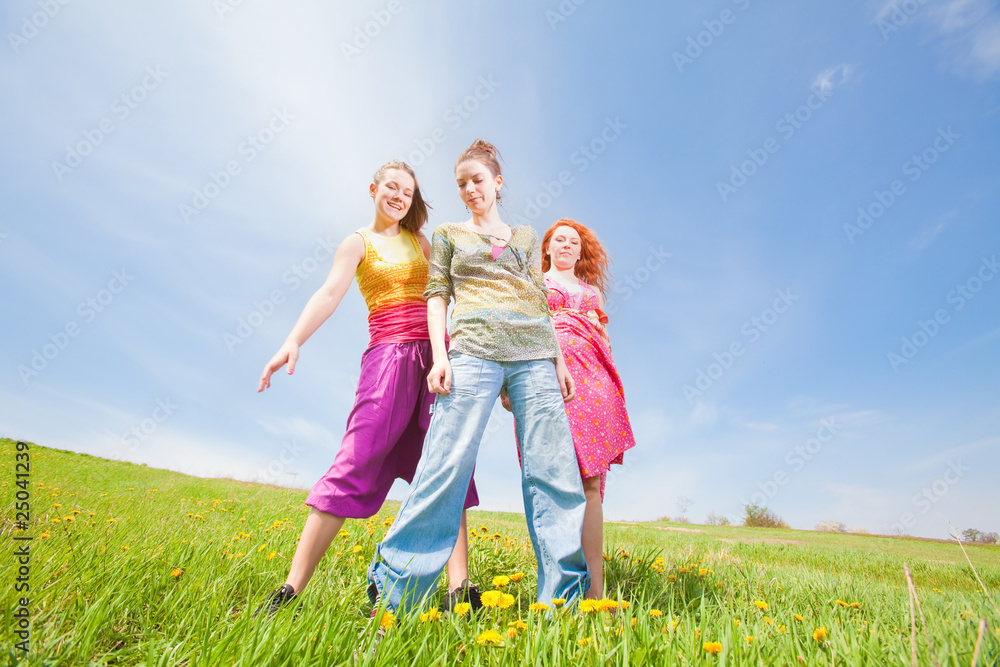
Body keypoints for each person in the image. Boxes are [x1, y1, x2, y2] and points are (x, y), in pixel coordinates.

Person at [366, 140, 590, 613]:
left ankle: (563, 605)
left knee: (554, 472)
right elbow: (436, 293)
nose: (470, 189)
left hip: (533, 355)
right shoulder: (448, 234)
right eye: (461, 183)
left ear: (498, 182)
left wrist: (559, 361)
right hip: (471, 350)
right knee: (446, 462)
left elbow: (538, 299)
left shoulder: (527, 237)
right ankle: (396, 592)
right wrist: (439, 354)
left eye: (478, 180)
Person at [253, 161, 480, 616]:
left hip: (438, 361)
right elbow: (329, 294)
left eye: (407, 191)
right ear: (374, 189)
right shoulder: (358, 243)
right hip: (389, 360)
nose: (398, 196)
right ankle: (290, 591)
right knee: (353, 460)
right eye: (391, 188)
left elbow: (457, 293)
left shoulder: (422, 242)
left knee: (446, 468)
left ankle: (461, 590)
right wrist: (292, 341)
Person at [536, 219, 636, 599]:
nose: (565, 245)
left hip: (594, 382)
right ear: (547, 248)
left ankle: (596, 594)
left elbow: (605, 341)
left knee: (591, 480)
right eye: (558, 239)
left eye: (572, 241)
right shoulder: (535, 284)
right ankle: (556, 587)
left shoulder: (592, 294)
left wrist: (611, 384)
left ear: (580, 252)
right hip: (548, 379)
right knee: (552, 477)